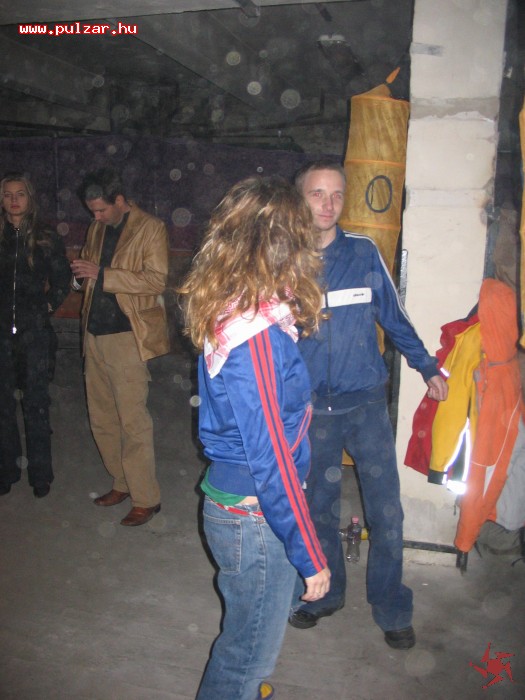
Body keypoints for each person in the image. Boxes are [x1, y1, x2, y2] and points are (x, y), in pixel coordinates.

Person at [179, 176, 330, 700]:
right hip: (255, 514)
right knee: (246, 658)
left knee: (246, 642)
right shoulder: (256, 334)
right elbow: (272, 460)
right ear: (284, 244)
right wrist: (309, 552)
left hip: (244, 507)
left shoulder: (242, 309)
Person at [288, 160, 448, 650]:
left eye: (336, 194)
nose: (328, 204)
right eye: (317, 194)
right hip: (311, 409)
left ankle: (391, 606)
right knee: (317, 510)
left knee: (387, 513)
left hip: (365, 406)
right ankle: (326, 594)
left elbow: (394, 317)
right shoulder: (283, 259)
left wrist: (427, 366)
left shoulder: (363, 252)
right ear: (300, 199)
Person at [71, 167, 169, 527]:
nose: (96, 217)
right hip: (93, 334)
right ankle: (122, 483)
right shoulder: (97, 227)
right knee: (102, 418)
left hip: (127, 335)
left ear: (120, 200)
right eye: (92, 211)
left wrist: (102, 274)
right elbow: (90, 273)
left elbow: (156, 281)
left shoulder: (151, 228)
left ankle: (147, 498)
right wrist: (80, 278)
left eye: (101, 209)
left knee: (133, 422)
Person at [0, 172, 71, 498]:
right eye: (7, 194)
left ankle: (40, 475)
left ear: (29, 198)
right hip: (2, 334)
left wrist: (46, 307)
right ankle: (7, 469)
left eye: (20, 194)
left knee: (36, 405)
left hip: (35, 335)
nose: (14, 200)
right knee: (3, 407)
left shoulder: (45, 237)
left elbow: (61, 279)